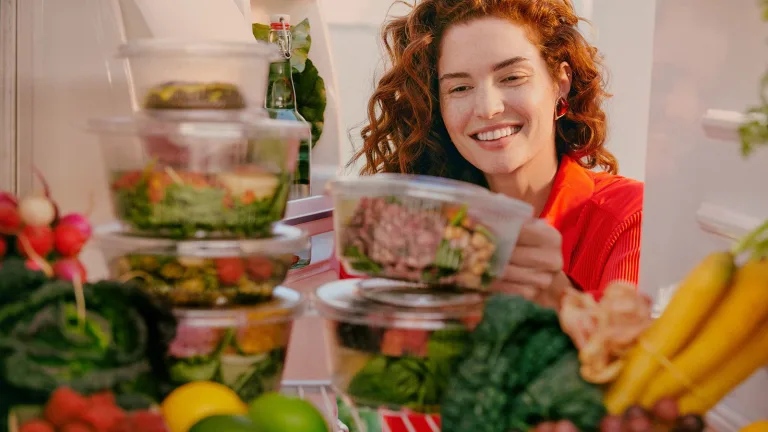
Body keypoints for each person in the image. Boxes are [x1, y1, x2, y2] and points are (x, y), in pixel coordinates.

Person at [337, 0, 643, 307]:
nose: (487, 108)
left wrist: (559, 298)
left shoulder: (631, 217)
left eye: (512, 78)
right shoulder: (414, 223)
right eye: (459, 88)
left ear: (560, 83)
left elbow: (639, 349)